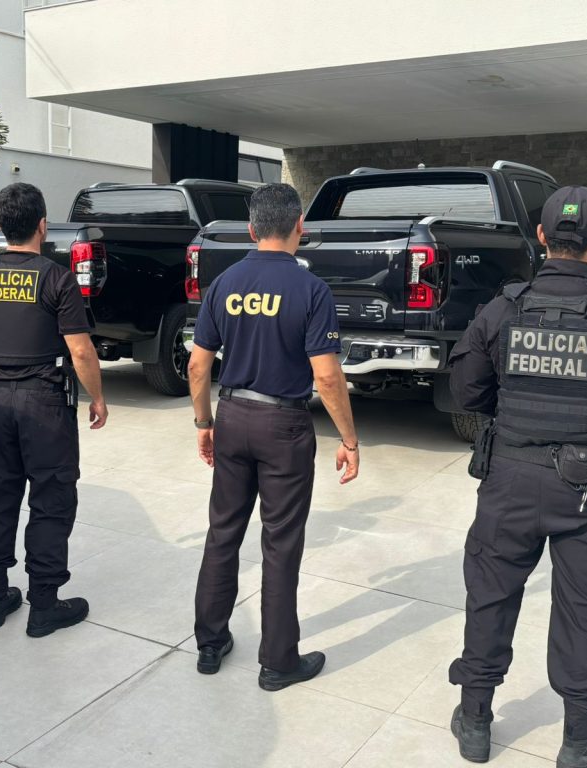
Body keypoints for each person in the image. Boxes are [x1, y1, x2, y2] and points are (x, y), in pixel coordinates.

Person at [446, 186, 587, 766]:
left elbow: (466, 391)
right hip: (586, 487)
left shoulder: (501, 311)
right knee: (584, 610)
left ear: (542, 237)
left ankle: (475, 723)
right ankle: (580, 742)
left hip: (508, 478)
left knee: (490, 597)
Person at [187, 182, 360, 692]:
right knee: (280, 544)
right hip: (284, 426)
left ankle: (210, 643)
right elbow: (326, 376)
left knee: (223, 532)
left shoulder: (225, 283)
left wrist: (204, 422)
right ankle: (278, 661)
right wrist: (350, 439)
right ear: (299, 227)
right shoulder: (311, 289)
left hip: (233, 414)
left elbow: (198, 365)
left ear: (251, 229)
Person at [0, 182, 108, 638]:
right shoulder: (56, 278)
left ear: (1, 224)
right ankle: (43, 605)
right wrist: (98, 397)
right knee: (50, 500)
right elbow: (80, 350)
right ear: (42, 225)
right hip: (45, 402)